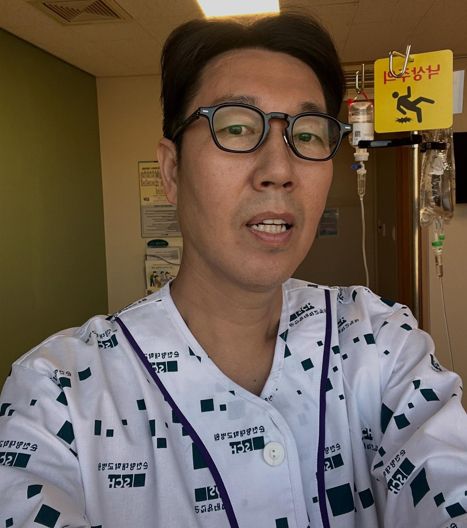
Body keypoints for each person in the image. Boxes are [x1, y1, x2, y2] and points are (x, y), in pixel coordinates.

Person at [0, 12, 466, 528]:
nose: (279, 170)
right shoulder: (59, 394)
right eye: (237, 128)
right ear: (172, 171)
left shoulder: (380, 342)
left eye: (308, 134)